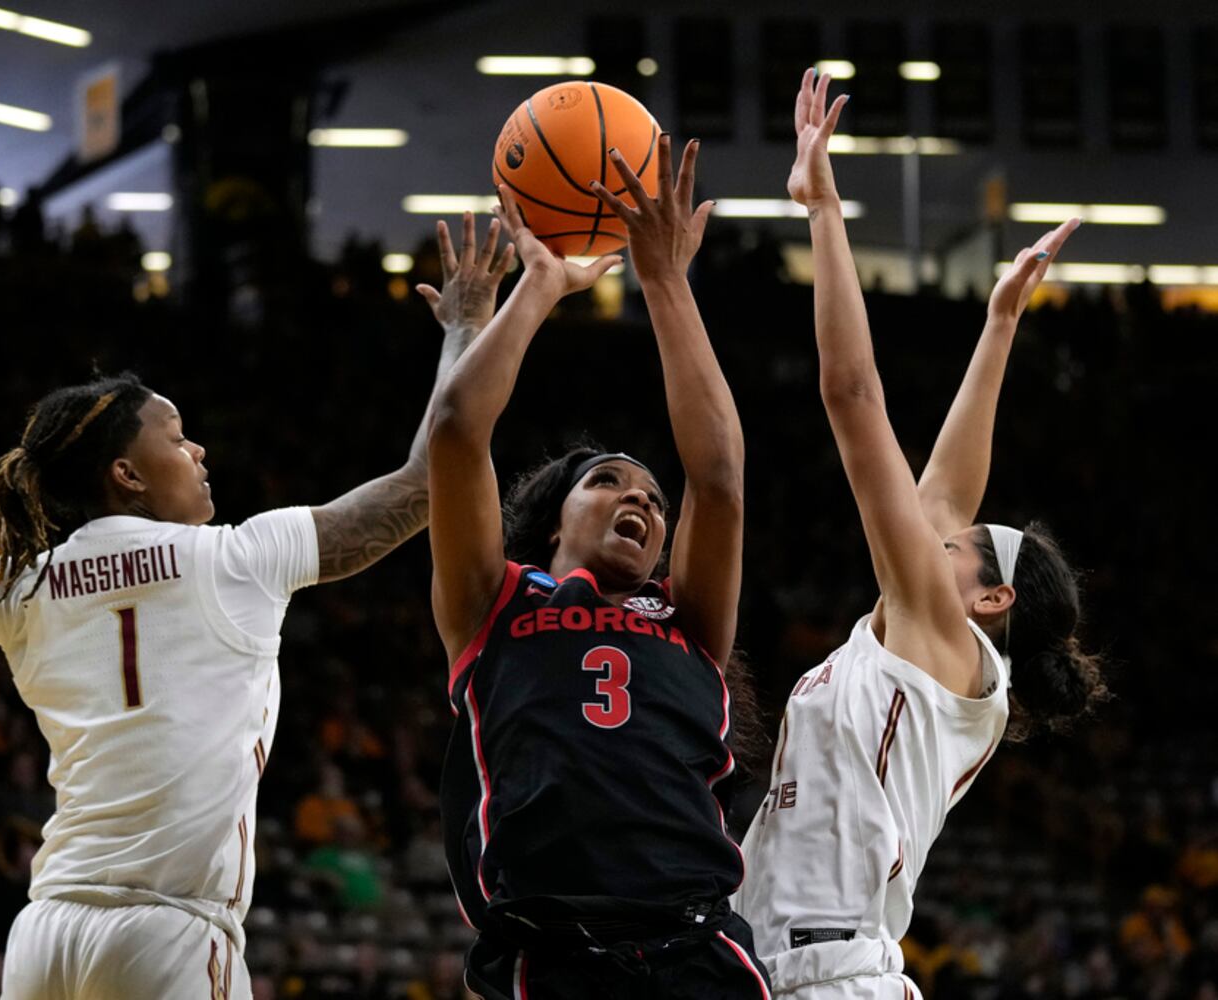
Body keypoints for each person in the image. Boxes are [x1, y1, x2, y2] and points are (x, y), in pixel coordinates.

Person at [0, 214, 510, 1000]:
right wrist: (466, 326)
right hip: (166, 932)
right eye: (177, 438)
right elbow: (427, 481)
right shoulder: (237, 558)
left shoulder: (18, 585)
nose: (198, 450)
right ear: (127, 474)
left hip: (46, 936)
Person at [732, 68, 1107, 998]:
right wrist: (998, 324)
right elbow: (947, 490)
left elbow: (851, 395)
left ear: (991, 596)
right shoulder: (940, 644)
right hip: (792, 962)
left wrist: (823, 210)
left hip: (824, 974)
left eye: (956, 541)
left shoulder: (938, 637)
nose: (933, 529)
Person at [429, 136, 770, 998]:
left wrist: (665, 282)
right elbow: (457, 430)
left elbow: (719, 476)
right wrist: (540, 285)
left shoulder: (688, 616)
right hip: (553, 953)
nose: (642, 501)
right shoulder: (494, 600)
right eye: (608, 481)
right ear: (553, 521)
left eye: (652, 498)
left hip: (697, 948)